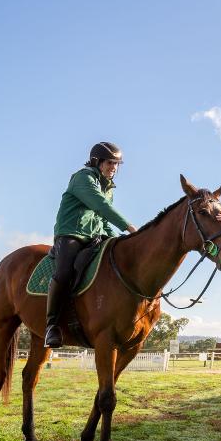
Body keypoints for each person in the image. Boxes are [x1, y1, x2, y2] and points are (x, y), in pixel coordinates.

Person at [45, 142, 136, 348]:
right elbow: (100, 206)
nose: (114, 167)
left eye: (117, 164)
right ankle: (52, 325)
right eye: (110, 162)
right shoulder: (83, 178)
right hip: (71, 234)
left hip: (95, 235)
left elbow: (102, 219)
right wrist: (130, 228)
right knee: (65, 272)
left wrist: (116, 239)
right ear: (97, 162)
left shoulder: (108, 187)